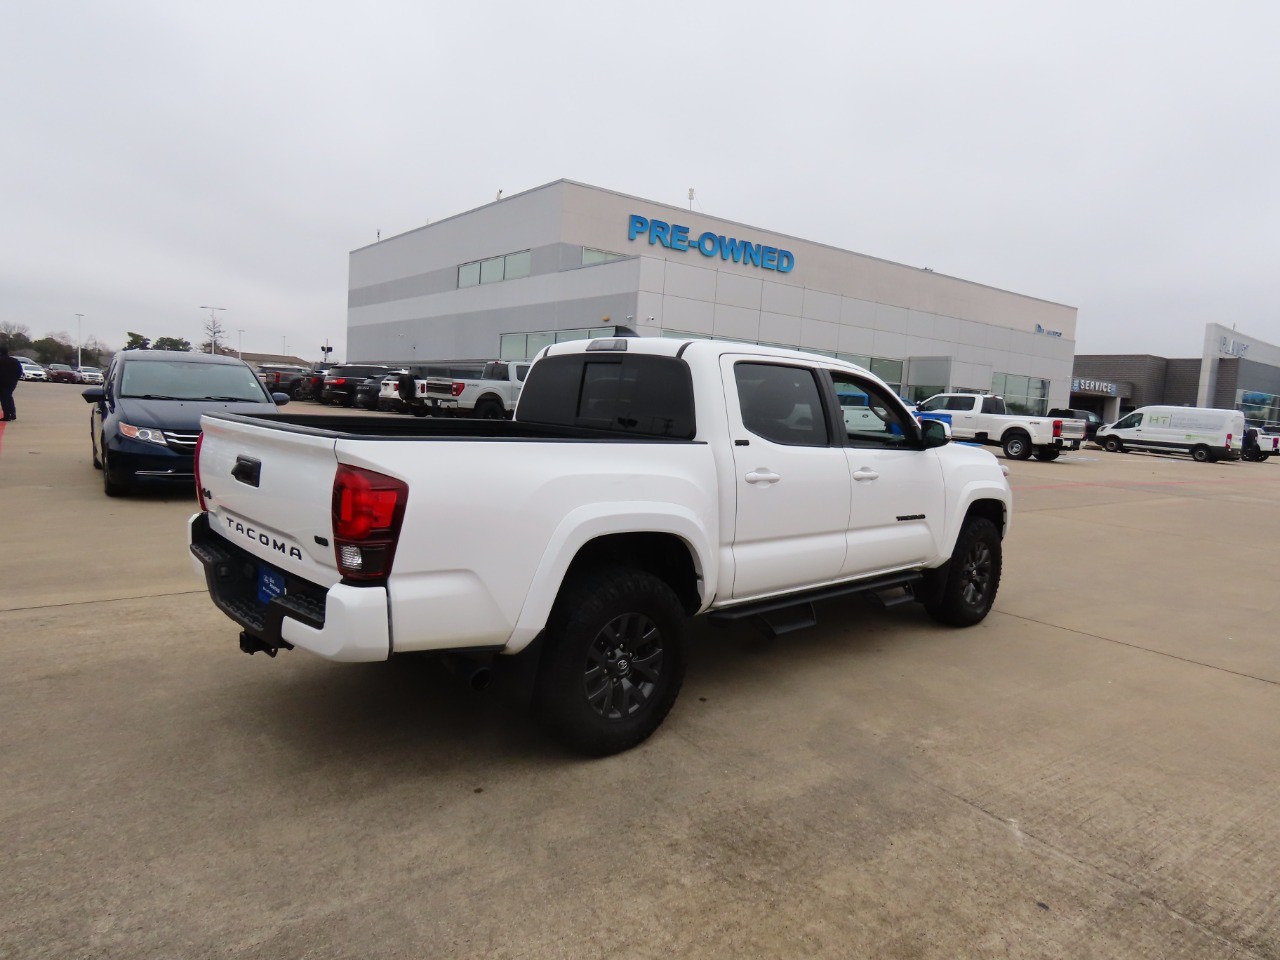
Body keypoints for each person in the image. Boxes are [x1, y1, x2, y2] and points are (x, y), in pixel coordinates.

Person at [0, 345, 23, 422]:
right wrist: (15, 379)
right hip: (11, 383)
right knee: (9, 397)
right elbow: (20, 371)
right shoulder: (14, 361)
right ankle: (13, 413)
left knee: (4, 398)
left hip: (2, 382)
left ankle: (7, 415)